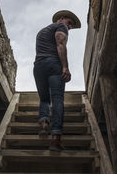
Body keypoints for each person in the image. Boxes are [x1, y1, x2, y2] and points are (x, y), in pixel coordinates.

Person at [33, 10, 81, 151]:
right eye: (70, 23)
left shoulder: (42, 31)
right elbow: (60, 43)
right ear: (61, 19)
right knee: (58, 99)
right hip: (54, 64)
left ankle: (43, 123)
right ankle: (55, 139)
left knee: (44, 99)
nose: (70, 27)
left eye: (71, 25)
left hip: (38, 66)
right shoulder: (61, 27)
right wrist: (65, 67)